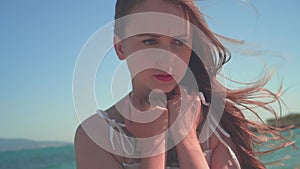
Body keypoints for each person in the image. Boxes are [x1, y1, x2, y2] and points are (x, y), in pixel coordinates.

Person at [74, 0, 294, 168]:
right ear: (120, 47)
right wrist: (153, 146)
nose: (168, 57)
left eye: (179, 42)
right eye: (149, 41)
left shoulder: (214, 121)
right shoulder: (96, 136)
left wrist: (186, 137)